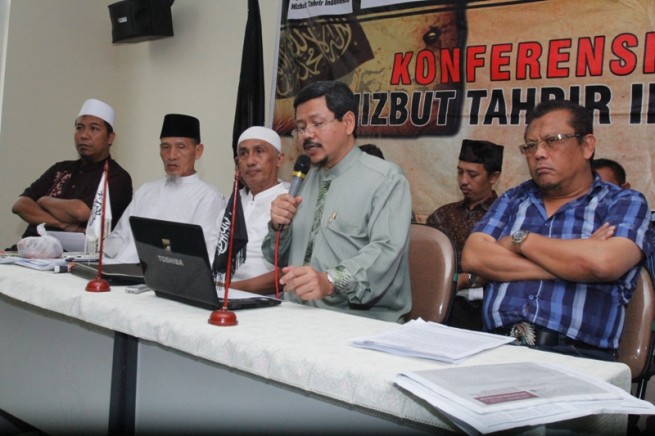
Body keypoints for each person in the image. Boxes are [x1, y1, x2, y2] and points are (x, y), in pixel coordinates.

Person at [461, 99, 653, 361]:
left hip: (577, 355)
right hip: (495, 346)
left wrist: (520, 241)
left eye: (553, 141)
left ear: (587, 146)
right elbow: (474, 257)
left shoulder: (622, 202)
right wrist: (572, 267)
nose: (539, 153)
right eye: (530, 146)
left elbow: (603, 263)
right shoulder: (513, 199)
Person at [262, 80, 412, 322]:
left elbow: (385, 253)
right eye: (300, 127)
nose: (307, 135)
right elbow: (276, 257)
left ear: (348, 122)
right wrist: (279, 226)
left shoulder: (386, 180)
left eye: (317, 123)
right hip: (298, 315)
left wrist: (330, 281)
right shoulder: (304, 181)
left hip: (359, 323)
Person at [104, 114, 226, 263]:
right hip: (120, 267)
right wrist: (104, 258)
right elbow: (118, 236)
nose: (171, 156)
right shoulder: (146, 191)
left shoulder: (209, 197)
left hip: (167, 274)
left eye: (181, 147)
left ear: (198, 151)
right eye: (165, 147)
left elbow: (200, 254)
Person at [11, 98, 133, 240]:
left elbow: (81, 212)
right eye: (79, 128)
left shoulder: (117, 177)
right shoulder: (60, 169)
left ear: (110, 138)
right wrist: (61, 225)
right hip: (29, 248)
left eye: (94, 128)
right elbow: (20, 205)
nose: (84, 135)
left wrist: (43, 200)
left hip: (74, 253)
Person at [426, 139, 503, 330]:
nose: (464, 181)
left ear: (494, 177)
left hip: (486, 309)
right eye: (460, 172)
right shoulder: (442, 215)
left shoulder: (506, 216)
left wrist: (464, 280)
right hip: (439, 301)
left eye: (472, 174)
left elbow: (502, 266)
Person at [216, 126, 289, 294]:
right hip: (218, 293)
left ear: (279, 159)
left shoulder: (289, 200)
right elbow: (211, 252)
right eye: (243, 153)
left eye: (259, 151)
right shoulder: (232, 202)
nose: (250, 161)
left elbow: (287, 272)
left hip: (265, 301)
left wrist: (228, 290)